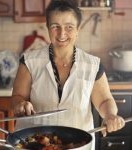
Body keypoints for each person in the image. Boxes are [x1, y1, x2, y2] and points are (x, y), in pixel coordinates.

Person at [11, 0, 125, 149]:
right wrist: (20, 104)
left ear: (78, 30)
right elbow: (17, 97)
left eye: (69, 27)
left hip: (78, 144)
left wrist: (110, 115)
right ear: (48, 28)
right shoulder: (29, 61)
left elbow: (104, 100)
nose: (62, 33)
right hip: (32, 143)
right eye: (55, 26)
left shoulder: (93, 65)